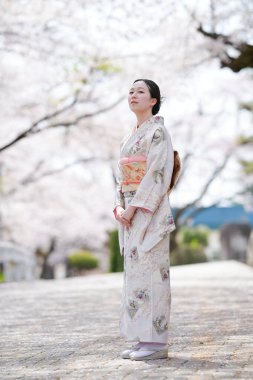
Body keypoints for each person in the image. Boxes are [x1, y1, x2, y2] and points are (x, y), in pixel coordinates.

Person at [113, 79, 177, 361]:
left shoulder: (158, 133)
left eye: (140, 91)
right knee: (136, 274)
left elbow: (157, 175)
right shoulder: (129, 138)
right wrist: (119, 206)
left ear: (153, 100)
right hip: (129, 209)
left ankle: (157, 343)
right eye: (131, 91)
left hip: (148, 212)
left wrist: (134, 207)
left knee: (151, 271)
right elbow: (120, 177)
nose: (133, 95)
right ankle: (142, 339)